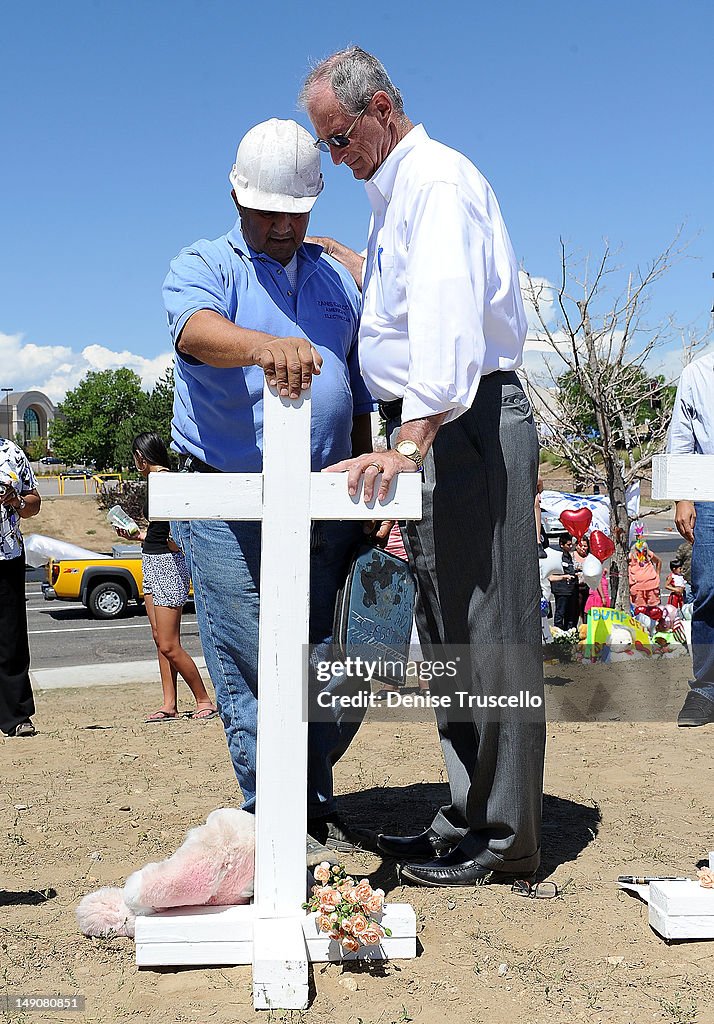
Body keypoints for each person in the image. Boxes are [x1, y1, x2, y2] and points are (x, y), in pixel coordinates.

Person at [301, 48, 545, 887]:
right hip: (443, 420)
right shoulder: (399, 196)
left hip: (460, 419)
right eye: (327, 147)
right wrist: (370, 278)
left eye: (339, 139)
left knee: (491, 632)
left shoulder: (434, 183)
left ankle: (507, 837)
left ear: (384, 108)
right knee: (445, 633)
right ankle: (464, 816)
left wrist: (409, 440)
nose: (337, 159)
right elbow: (421, 301)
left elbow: (447, 327)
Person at [163, 118, 376, 859]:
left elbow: (355, 390)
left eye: (298, 211)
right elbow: (195, 332)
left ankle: (312, 807)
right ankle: (274, 820)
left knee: (326, 660)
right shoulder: (203, 262)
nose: (285, 225)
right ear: (236, 194)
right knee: (255, 659)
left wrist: (363, 473)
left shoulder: (331, 279)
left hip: (325, 503)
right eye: (268, 211)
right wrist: (265, 347)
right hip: (229, 500)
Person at [114, 433, 218, 723]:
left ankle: (204, 700)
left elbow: (183, 527)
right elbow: (162, 531)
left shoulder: (168, 482)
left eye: (135, 457)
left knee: (169, 643)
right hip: (152, 560)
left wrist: (175, 546)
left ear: (141, 457)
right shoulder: (156, 483)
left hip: (168, 565)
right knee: (159, 638)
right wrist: (139, 535)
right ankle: (169, 704)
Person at [668, 350, 714, 727]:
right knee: (708, 585)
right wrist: (683, 495)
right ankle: (705, 688)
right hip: (709, 491)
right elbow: (681, 437)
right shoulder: (697, 372)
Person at [1, 437, 41, 737]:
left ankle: (16, 716)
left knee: (11, 638)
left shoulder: (11, 452)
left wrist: (16, 500)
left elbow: (34, 504)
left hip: (8, 555)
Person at [549, 535, 580, 629]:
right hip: (561, 590)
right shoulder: (557, 556)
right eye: (568, 545)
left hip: (571, 590)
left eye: (571, 544)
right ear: (561, 545)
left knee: (570, 614)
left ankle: (568, 633)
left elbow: (570, 569)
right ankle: (558, 634)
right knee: (560, 613)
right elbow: (552, 573)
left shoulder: (568, 556)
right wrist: (565, 577)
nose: (570, 547)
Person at [628, 532, 662, 609]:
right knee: (640, 609)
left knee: (653, 608)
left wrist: (657, 575)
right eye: (639, 550)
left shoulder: (648, 554)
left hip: (652, 585)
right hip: (637, 587)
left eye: (644, 550)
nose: (642, 552)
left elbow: (659, 561)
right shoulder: (631, 556)